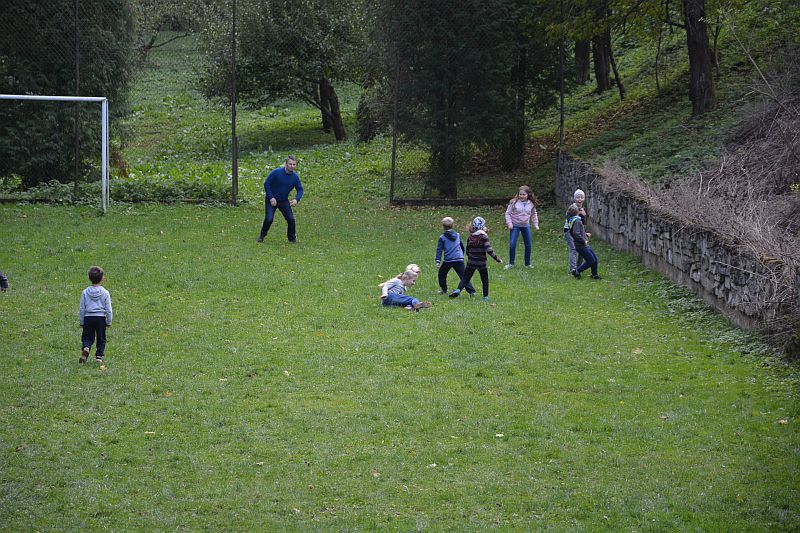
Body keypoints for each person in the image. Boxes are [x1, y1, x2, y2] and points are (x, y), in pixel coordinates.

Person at [450, 216, 503, 301]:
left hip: (471, 262)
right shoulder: (484, 237)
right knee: (484, 279)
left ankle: (458, 290)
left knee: (465, 278)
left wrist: (469, 256)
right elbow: (489, 249)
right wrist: (497, 259)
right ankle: (485, 297)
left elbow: (468, 250)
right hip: (481, 263)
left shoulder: (470, 237)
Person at [258, 155, 304, 243]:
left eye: (294, 164)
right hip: (271, 200)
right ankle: (262, 235)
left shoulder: (295, 177)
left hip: (283, 201)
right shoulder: (276, 172)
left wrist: (296, 199)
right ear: (286, 164)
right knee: (269, 219)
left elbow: (300, 190)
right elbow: (266, 184)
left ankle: (292, 238)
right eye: (290, 164)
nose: (292, 166)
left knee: (291, 219)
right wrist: (271, 197)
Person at [79, 266, 113, 364]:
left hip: (88, 318)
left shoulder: (85, 292)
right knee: (101, 338)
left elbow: (82, 308)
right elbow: (108, 309)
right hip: (100, 318)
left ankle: (86, 348)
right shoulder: (105, 293)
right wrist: (109, 321)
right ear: (102, 278)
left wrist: (82, 321)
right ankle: (99, 357)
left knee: (87, 336)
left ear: (89, 278)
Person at [435, 217, 474, 295]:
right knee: (464, 276)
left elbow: (439, 249)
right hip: (459, 259)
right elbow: (462, 246)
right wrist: (461, 255)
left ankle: (444, 290)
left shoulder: (442, 237)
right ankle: (471, 291)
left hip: (448, 260)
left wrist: (438, 261)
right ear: (453, 225)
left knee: (442, 274)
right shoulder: (457, 235)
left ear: (443, 226)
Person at [504, 185, 540, 269]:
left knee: (529, 244)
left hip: (525, 226)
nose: (522, 196)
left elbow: (534, 214)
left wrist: (536, 224)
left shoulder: (531, 204)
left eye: (524, 194)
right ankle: (511, 263)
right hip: (515, 226)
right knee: (512, 244)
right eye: (520, 194)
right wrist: (509, 224)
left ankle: (527, 264)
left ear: (528, 195)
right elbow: (508, 213)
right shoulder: (514, 203)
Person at [567, 203, 601, 280]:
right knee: (591, 260)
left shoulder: (574, 220)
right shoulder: (577, 221)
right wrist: (583, 240)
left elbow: (577, 232)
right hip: (581, 245)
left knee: (594, 259)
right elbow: (576, 233)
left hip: (582, 244)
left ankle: (594, 275)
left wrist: (585, 234)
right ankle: (577, 271)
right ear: (577, 212)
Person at [564, 188, 590, 275]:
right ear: (575, 198)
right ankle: (573, 269)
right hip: (569, 231)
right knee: (573, 249)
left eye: (582, 197)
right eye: (578, 197)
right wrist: (579, 214)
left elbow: (581, 223)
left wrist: (584, 216)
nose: (580, 199)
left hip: (578, 232)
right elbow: (570, 220)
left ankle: (578, 268)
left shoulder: (582, 209)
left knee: (582, 249)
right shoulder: (572, 208)